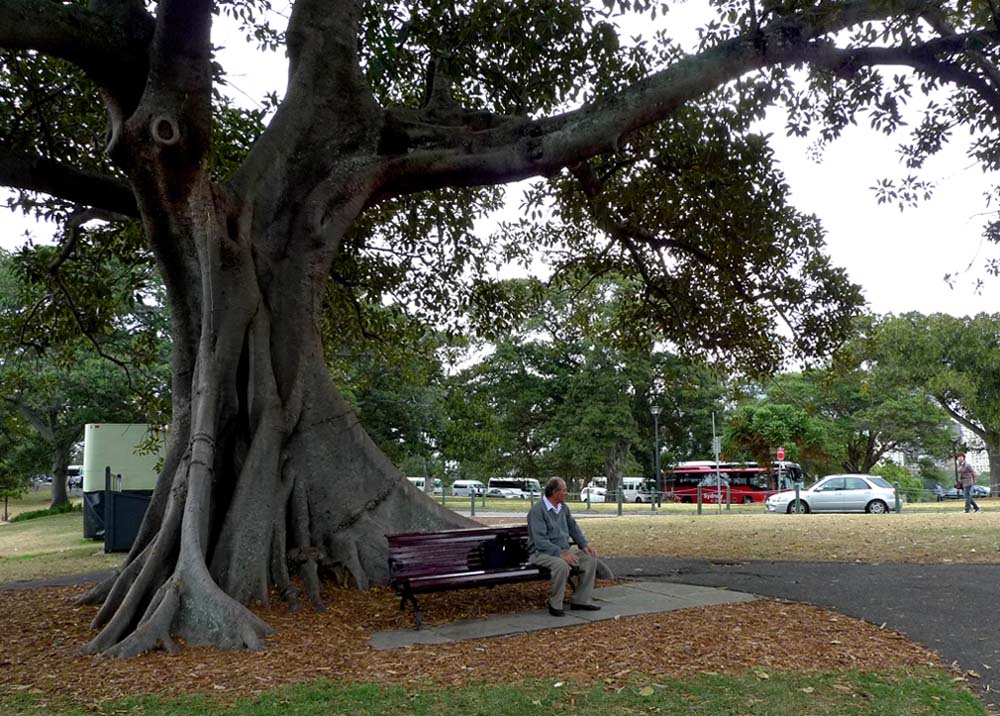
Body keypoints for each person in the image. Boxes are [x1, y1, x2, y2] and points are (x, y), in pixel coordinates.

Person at [527, 477, 600, 617]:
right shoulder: (537, 511)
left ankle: (581, 600)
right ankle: (555, 603)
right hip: (541, 552)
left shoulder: (563, 508)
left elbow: (573, 528)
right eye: (564, 490)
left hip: (563, 550)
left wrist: (584, 545)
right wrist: (559, 553)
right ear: (555, 492)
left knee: (589, 559)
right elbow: (540, 541)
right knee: (561, 565)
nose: (567, 493)